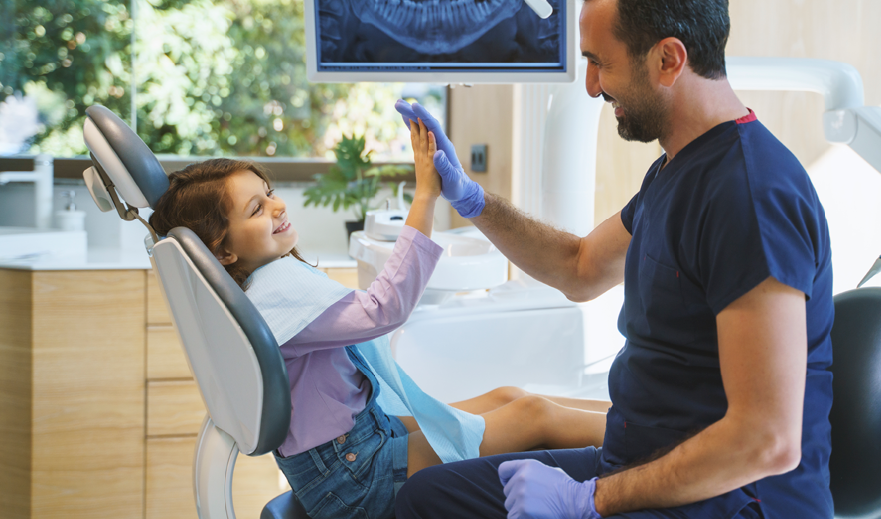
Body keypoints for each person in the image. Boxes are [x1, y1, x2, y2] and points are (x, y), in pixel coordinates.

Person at [393, 0, 833, 519]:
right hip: (642, 461)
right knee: (429, 499)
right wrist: (472, 200)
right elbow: (578, 267)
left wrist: (586, 499)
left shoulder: (749, 195)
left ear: (668, 60)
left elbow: (766, 441)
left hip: (728, 500)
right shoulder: (678, 168)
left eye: (602, 62)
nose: (593, 86)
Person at [147, 118, 613, 519]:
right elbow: (384, 307)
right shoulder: (274, 296)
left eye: (268, 194)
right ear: (223, 250)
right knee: (532, 416)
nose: (277, 205)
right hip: (353, 476)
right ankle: (649, 437)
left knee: (511, 396)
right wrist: (426, 194)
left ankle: (634, 417)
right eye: (256, 209)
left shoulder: (265, 284)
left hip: (355, 449)